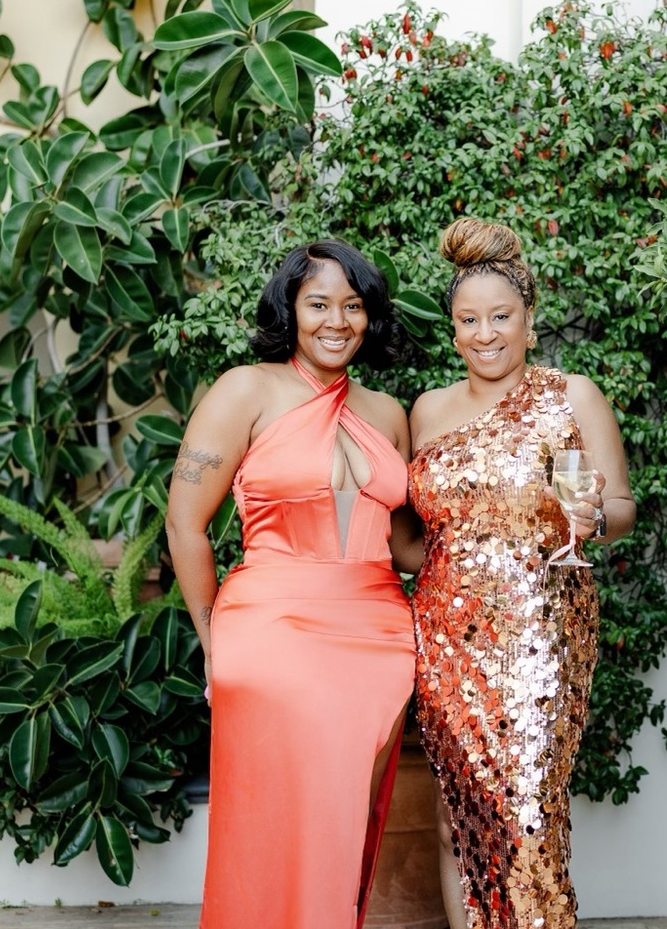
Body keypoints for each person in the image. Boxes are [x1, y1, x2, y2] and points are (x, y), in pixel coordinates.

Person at [164, 241, 417, 929]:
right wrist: (213, 638)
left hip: (379, 633)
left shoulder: (389, 412)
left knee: (347, 821)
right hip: (269, 624)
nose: (337, 320)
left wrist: (502, 526)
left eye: (353, 306)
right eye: (318, 304)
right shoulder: (245, 389)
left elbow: (406, 546)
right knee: (276, 818)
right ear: (290, 310)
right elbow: (186, 523)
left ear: (371, 318)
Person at [407, 217, 636, 929]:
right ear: (451, 330)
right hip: (446, 639)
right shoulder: (428, 411)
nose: (485, 334)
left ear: (529, 322)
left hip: (541, 632)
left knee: (530, 817)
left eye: (500, 317)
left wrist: (596, 519)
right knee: (461, 821)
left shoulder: (573, 396)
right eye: (468, 320)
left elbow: (621, 504)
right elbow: (421, 540)